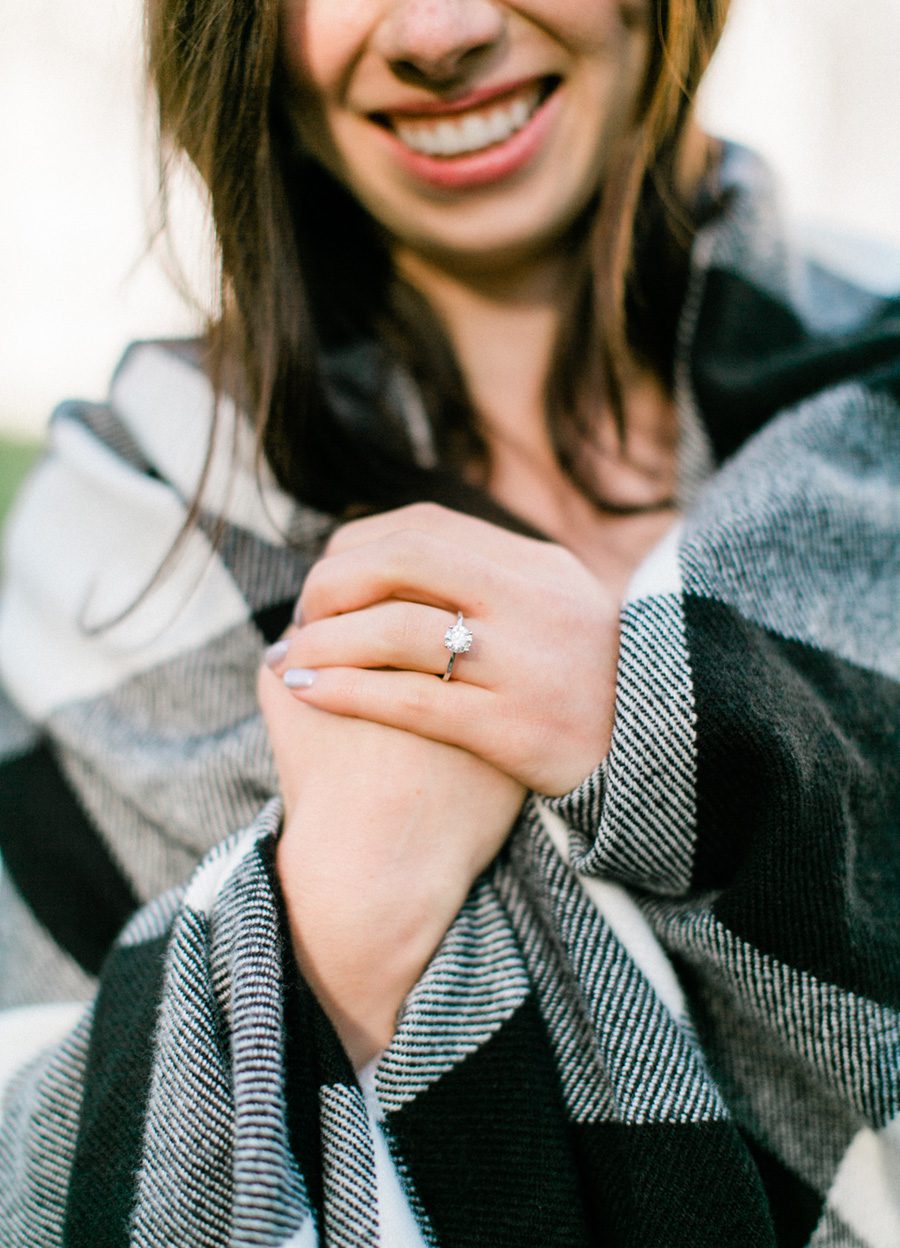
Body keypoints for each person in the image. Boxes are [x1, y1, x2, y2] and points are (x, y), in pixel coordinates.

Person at [0, 0, 897, 1243]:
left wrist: (667, 729)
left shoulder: (882, 393)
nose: (438, 30)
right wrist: (335, 928)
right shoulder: (118, 539)